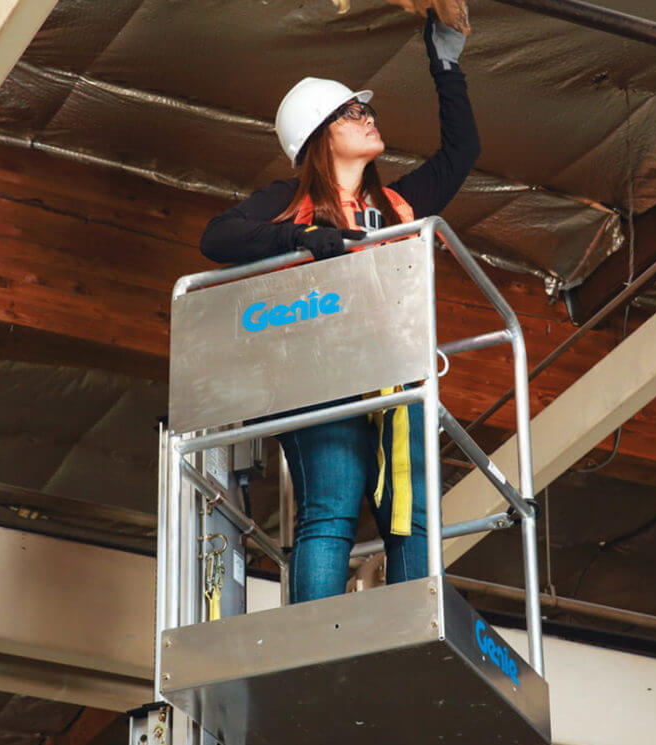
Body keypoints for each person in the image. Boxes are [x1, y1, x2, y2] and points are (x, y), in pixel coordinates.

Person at [200, 11, 479, 604]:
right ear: (320, 133)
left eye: (366, 110)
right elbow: (218, 238)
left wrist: (446, 64)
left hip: (390, 373)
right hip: (317, 369)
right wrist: (299, 238)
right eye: (354, 112)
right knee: (331, 505)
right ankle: (312, 641)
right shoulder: (289, 202)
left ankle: (410, 632)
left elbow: (462, 153)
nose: (368, 116)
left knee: (411, 511)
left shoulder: (398, 202)